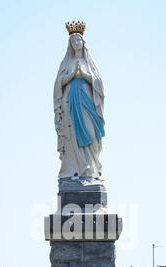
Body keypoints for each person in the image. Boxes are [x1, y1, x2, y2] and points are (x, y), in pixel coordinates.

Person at [54, 21, 105, 181]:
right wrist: (70, 76)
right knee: (73, 135)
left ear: (83, 42)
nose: (76, 43)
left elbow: (99, 85)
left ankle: (92, 167)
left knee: (90, 132)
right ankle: (78, 168)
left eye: (78, 40)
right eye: (73, 41)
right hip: (70, 103)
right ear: (70, 44)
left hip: (87, 102)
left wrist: (84, 75)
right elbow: (58, 84)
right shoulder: (66, 63)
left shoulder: (90, 63)